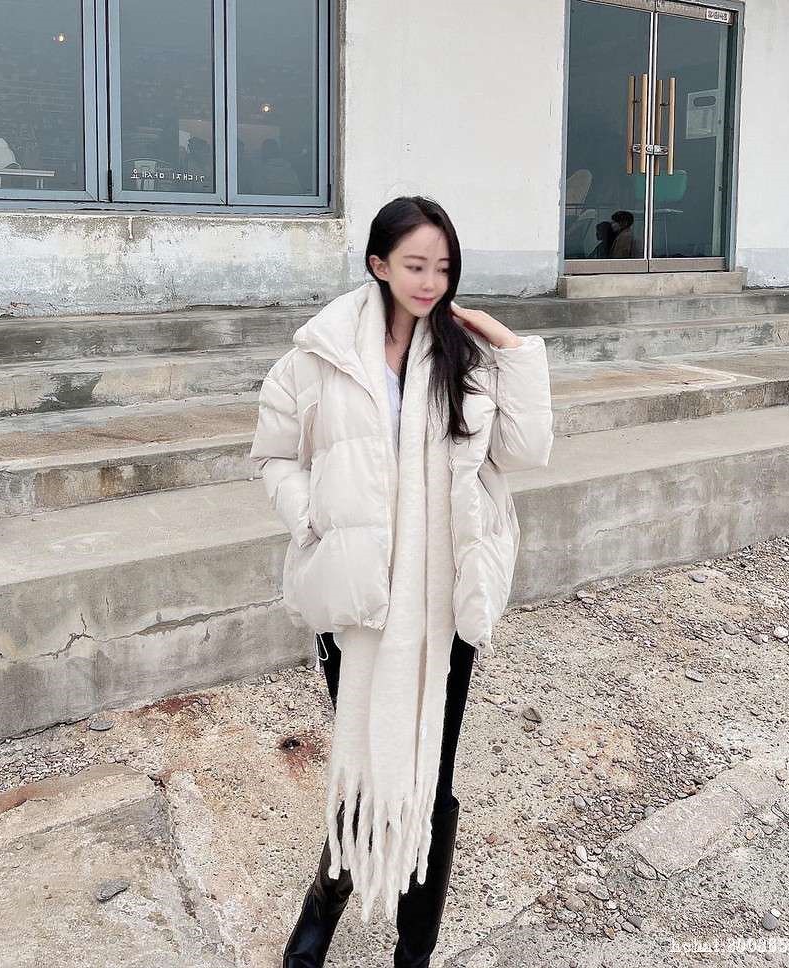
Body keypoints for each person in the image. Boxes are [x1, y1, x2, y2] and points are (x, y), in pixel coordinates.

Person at [249, 195, 554, 967]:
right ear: (378, 264)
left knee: (431, 776)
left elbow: (525, 451)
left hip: (442, 599)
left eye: (443, 268)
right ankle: (319, 918)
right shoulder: (319, 356)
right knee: (366, 759)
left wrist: (512, 348)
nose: (430, 282)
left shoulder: (465, 357)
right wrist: (314, 518)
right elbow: (274, 455)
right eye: (415, 265)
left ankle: (413, 954)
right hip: (355, 597)